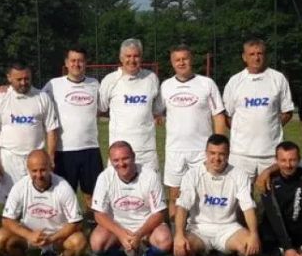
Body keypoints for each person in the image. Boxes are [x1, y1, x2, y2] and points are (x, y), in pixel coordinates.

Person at [172, 134, 260, 256]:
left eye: (221, 154)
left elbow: (248, 208)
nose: (216, 158)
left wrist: (254, 235)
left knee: (248, 245)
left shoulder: (239, 175)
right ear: (206, 153)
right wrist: (179, 235)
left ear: (228, 154)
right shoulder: (192, 175)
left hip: (228, 228)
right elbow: (182, 207)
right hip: (198, 228)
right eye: (212, 153)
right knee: (183, 246)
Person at [0, 149, 87, 256]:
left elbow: (76, 223)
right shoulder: (20, 187)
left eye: (42, 170)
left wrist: (51, 239)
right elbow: (6, 220)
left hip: (57, 238)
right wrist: (29, 235)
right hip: (29, 236)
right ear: (28, 170)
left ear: (50, 167)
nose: (39, 175)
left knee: (79, 241)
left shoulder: (63, 187)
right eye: (34, 171)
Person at [160, 44, 227, 218]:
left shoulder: (207, 84)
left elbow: (218, 116)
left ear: (192, 60)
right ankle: (176, 231)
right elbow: (156, 113)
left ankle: (204, 228)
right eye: (177, 60)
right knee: (175, 196)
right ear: (172, 63)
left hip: (201, 150)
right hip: (174, 150)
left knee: (204, 194)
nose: (181, 63)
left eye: (185, 59)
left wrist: (218, 147)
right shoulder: (165, 86)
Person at [89, 141, 171, 256]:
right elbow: (99, 214)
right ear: (111, 161)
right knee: (97, 243)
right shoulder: (104, 177)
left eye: (125, 158)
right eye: (116, 160)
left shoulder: (150, 175)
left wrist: (139, 235)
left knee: (165, 241)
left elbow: (159, 213)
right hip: (118, 225)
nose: (121, 164)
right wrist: (121, 234)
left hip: (145, 225)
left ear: (133, 156)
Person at [0, 63, 59, 204]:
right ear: (9, 78)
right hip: (8, 160)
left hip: (35, 160)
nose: (24, 83)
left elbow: (51, 130)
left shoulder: (42, 97)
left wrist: (50, 157)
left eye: (27, 78)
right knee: (11, 204)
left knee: (38, 201)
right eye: (19, 79)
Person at [42, 46, 103, 217]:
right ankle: (65, 225)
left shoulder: (95, 84)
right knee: (63, 193)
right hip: (64, 150)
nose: (77, 64)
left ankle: (93, 223)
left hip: (90, 149)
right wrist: (7, 88)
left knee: (92, 194)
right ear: (66, 63)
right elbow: (34, 97)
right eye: (73, 60)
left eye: (80, 61)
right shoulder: (54, 85)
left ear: (86, 63)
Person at [222, 39, 294, 182]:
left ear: (265, 55)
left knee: (272, 193)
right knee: (240, 194)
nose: (256, 57)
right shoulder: (234, 81)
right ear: (244, 57)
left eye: (260, 53)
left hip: (271, 153)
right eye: (252, 54)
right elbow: (227, 116)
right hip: (240, 154)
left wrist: (272, 126)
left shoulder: (278, 78)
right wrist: (242, 130)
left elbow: (287, 111)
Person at [98, 39, 164, 172]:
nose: (132, 60)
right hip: (119, 152)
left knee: (151, 185)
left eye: (136, 56)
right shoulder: (110, 80)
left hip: (147, 151)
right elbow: (101, 108)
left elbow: (156, 110)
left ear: (141, 57)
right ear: (121, 58)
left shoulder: (151, 78)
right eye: (128, 56)